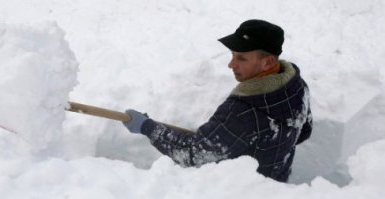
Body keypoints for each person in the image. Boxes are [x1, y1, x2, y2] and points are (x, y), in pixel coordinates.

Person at [122, 19, 312, 182]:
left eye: (241, 58)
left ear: (268, 62)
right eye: (232, 55)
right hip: (278, 184)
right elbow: (304, 132)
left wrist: (146, 126)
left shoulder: (243, 110)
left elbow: (193, 154)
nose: (231, 64)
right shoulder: (296, 86)